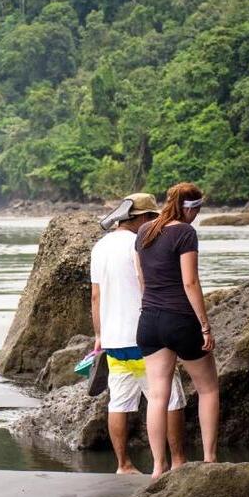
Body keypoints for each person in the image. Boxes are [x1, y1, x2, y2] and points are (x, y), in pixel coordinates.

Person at [91, 193, 188, 475]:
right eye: (152, 218)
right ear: (143, 218)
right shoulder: (141, 242)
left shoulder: (100, 246)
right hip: (145, 336)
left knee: (118, 403)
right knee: (170, 398)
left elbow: (95, 296)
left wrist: (99, 335)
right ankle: (177, 462)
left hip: (113, 341)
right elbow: (148, 285)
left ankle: (123, 465)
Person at [134, 182, 219, 480]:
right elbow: (190, 282)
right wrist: (205, 325)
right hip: (180, 319)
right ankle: (210, 460)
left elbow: (141, 278)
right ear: (191, 208)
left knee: (158, 396)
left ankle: (158, 468)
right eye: (198, 209)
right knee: (208, 388)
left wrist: (151, 306)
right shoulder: (185, 232)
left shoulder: (144, 231)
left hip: (149, 321)